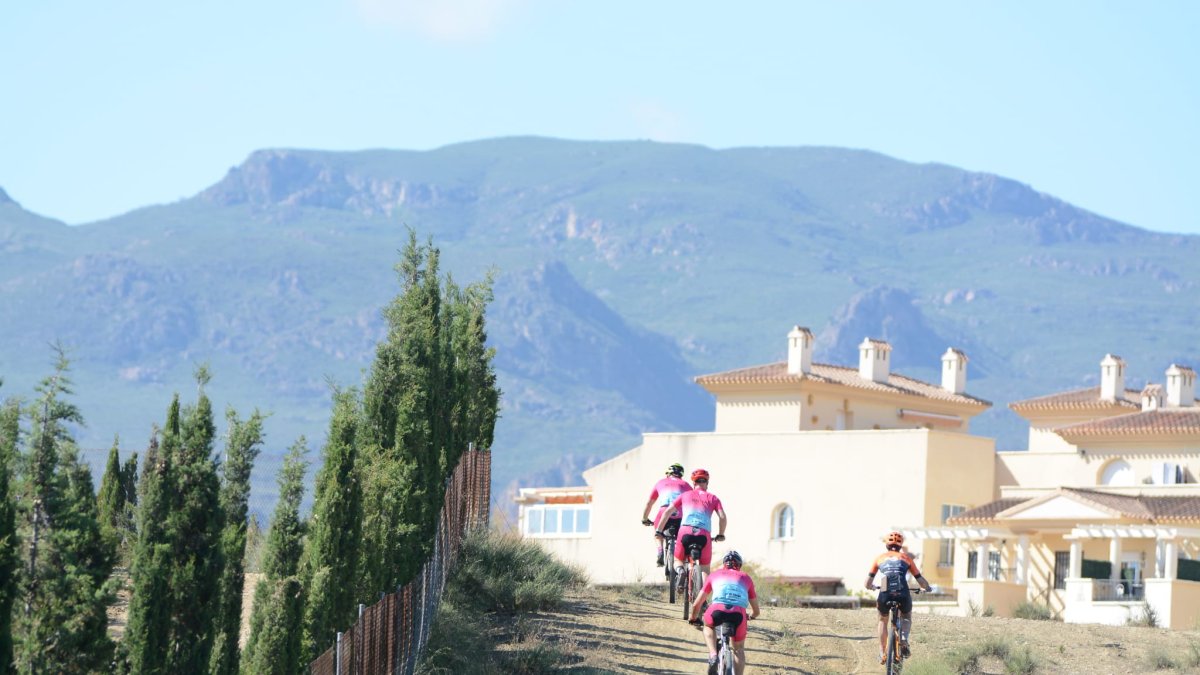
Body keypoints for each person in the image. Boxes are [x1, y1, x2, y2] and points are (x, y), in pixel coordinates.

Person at [864, 531, 932, 664]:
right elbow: (920, 580)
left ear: (887, 545)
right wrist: (927, 587)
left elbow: (867, 583)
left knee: (882, 620)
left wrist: (871, 587)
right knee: (906, 616)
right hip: (902, 590)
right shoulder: (906, 558)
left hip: (885, 587)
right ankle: (904, 639)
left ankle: (882, 652)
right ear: (900, 546)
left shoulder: (879, 558)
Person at [690, 550, 760, 675]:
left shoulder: (714, 575)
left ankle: (713, 654)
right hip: (738, 613)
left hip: (717, 610)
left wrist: (693, 618)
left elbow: (697, 603)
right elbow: (756, 610)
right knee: (738, 649)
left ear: (724, 564)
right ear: (739, 565)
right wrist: (751, 616)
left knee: (708, 626)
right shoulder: (746, 578)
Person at [657, 468, 726, 591]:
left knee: (678, 559)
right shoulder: (714, 498)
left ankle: (681, 571)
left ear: (694, 483)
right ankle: (703, 597)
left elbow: (667, 512)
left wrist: (659, 530)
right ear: (707, 483)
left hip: (685, 531)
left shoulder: (685, 495)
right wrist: (721, 534)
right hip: (704, 534)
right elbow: (722, 517)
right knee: (705, 568)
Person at [641, 462, 692, 566]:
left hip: (664, 511)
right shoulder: (685, 484)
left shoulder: (660, 483)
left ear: (668, 473)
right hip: (680, 512)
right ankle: (683, 559)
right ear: (681, 475)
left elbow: (649, 504)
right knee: (682, 537)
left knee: (658, 533)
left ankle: (660, 551)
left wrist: (644, 518)